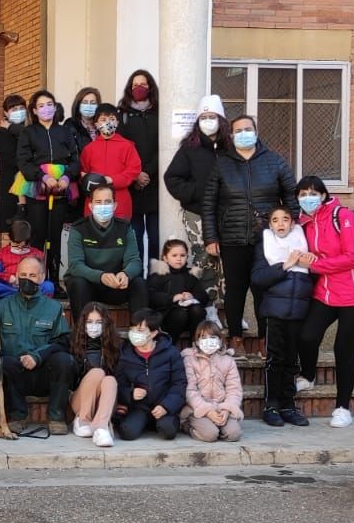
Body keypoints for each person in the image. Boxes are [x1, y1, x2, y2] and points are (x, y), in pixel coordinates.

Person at [202, 114, 295, 347]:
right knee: (235, 290)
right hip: (232, 238)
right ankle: (235, 336)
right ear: (231, 136)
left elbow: (291, 196)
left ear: (256, 131)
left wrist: (291, 229)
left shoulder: (274, 161)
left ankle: (265, 338)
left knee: (263, 289)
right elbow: (209, 203)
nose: (244, 134)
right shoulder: (221, 163)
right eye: (238, 130)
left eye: (248, 129)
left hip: (267, 238)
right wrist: (211, 237)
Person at [295, 175, 354, 428]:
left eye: (312, 193)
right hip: (326, 292)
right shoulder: (304, 223)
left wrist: (315, 266)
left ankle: (342, 408)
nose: (307, 198)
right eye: (302, 194)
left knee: (343, 350)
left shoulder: (343, 217)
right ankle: (308, 375)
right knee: (307, 336)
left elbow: (353, 258)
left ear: (323, 195)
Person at [251, 206, 316, 427]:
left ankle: (288, 405)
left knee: (291, 361)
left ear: (293, 223)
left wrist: (311, 266)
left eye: (285, 219)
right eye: (275, 220)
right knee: (274, 360)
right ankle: (271, 405)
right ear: (270, 225)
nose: (280, 224)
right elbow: (258, 278)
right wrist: (285, 265)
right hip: (274, 313)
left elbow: (316, 274)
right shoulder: (266, 246)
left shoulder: (303, 244)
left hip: (298, 313)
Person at [0, 253, 76, 434]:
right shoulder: (2, 307)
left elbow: (62, 341)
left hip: (43, 374)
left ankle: (56, 417)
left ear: (41, 277)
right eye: (23, 275)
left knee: (64, 360)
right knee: (3, 363)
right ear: (16, 275)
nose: (27, 279)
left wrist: (37, 356)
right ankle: (17, 416)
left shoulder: (53, 308)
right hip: (14, 374)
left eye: (32, 276)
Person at [163, 95, 228, 303]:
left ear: (221, 120)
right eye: (204, 117)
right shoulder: (190, 148)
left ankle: (228, 309)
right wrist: (198, 192)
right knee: (205, 258)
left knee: (228, 262)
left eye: (212, 116)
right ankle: (209, 306)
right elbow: (172, 178)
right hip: (196, 213)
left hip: (226, 214)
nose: (208, 121)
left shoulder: (230, 148)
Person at [16, 88, 79, 282]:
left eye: (50, 105)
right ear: (34, 111)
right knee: (38, 234)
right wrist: (42, 177)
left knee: (55, 234)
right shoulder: (28, 132)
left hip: (61, 187)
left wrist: (67, 177)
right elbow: (23, 161)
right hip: (38, 187)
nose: (46, 109)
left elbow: (75, 160)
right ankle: (34, 278)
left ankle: (53, 280)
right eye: (41, 106)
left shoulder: (65, 131)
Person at [65, 178, 149, 316]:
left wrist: (126, 273)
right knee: (77, 283)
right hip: (89, 286)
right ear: (91, 206)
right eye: (98, 202)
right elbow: (75, 265)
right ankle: (82, 333)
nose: (103, 206)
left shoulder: (125, 228)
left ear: (114, 205)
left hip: (116, 286)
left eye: (107, 202)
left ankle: (140, 332)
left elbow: (134, 261)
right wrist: (101, 276)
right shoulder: (78, 228)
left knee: (139, 283)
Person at [113, 309, 185, 441]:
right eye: (133, 329)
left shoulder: (171, 353)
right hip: (139, 407)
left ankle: (161, 422)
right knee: (127, 432)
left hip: (163, 404)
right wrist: (130, 393)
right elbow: (119, 383)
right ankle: (141, 422)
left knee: (168, 431)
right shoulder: (125, 353)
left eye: (140, 330)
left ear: (153, 333)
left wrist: (166, 406)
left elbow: (179, 383)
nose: (134, 333)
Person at [117, 69, 162, 262]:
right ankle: (137, 281)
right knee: (134, 237)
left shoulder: (160, 112)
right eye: (135, 85)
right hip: (132, 185)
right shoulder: (123, 115)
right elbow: (122, 148)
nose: (139, 88)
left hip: (154, 184)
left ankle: (155, 280)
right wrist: (136, 174)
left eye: (143, 84)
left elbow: (164, 147)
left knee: (156, 238)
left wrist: (147, 172)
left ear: (150, 86)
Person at [181, 321, 243, 442]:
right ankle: (188, 425)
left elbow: (234, 389)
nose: (208, 341)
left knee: (234, 434)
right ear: (197, 341)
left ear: (220, 340)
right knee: (210, 435)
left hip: (221, 407)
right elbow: (190, 390)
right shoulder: (189, 360)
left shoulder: (228, 361)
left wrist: (227, 409)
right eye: (203, 337)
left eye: (213, 337)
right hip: (197, 409)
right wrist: (208, 411)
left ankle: (219, 426)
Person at [78, 103, 142, 222]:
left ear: (117, 123)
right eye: (103, 119)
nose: (108, 122)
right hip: (94, 201)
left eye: (112, 119)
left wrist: (111, 180)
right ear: (96, 124)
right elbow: (82, 172)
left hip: (120, 200)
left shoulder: (127, 146)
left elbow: (133, 170)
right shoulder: (89, 149)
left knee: (119, 237)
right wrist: (84, 178)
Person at [68, 303, 118, 448]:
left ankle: (101, 428)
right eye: (89, 322)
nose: (93, 326)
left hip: (106, 401)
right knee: (97, 372)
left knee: (110, 380)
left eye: (98, 322)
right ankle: (82, 420)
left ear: (106, 324)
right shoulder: (72, 343)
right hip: (80, 400)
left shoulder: (116, 346)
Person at [147, 238, 208, 345]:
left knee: (197, 310)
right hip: (166, 317)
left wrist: (192, 296)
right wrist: (172, 298)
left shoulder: (190, 275)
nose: (179, 259)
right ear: (165, 258)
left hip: (190, 319)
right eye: (174, 255)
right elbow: (151, 296)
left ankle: (195, 343)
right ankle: (169, 345)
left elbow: (204, 297)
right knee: (180, 314)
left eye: (182, 255)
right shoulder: (159, 275)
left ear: (187, 257)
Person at [0, 94, 29, 243]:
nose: (19, 111)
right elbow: (12, 160)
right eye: (14, 109)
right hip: (11, 187)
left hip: (30, 189)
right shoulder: (1, 133)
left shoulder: (29, 130)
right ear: (6, 113)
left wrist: (12, 127)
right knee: (13, 234)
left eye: (21, 108)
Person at [0, 218, 49, 301]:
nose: (20, 248)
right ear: (10, 239)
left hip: (32, 287)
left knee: (48, 286)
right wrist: (8, 278)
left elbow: (42, 274)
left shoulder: (38, 254)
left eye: (24, 246)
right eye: (16, 244)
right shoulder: (0, 254)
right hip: (9, 287)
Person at [66, 86, 101, 151]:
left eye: (93, 103)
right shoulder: (70, 125)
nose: (89, 106)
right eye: (85, 102)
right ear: (78, 105)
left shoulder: (101, 126)